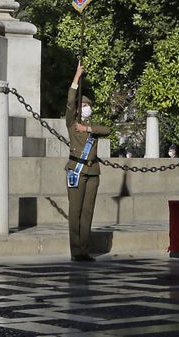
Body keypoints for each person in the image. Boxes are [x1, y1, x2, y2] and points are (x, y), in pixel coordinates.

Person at [64, 61, 112, 262]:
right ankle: (76, 251)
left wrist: (88, 129)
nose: (87, 108)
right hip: (76, 169)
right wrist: (77, 76)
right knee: (75, 212)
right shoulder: (72, 123)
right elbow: (70, 100)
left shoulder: (91, 127)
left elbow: (107, 130)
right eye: (84, 106)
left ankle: (85, 249)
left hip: (93, 172)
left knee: (87, 212)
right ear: (77, 110)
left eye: (88, 106)